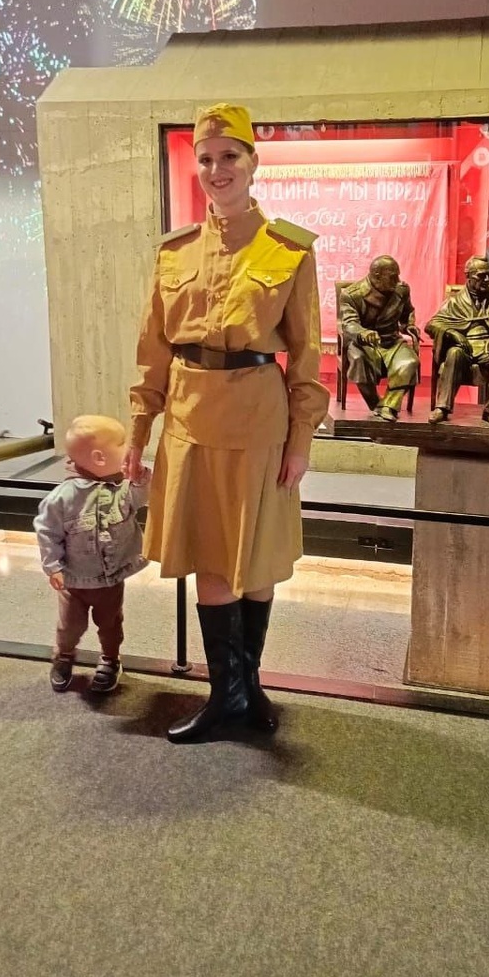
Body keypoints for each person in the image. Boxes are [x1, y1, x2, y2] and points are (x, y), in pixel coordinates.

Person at [123, 102, 329, 744]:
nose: (218, 169)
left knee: (257, 559)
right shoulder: (174, 252)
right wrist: (138, 430)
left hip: (260, 420)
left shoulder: (288, 250)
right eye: (207, 159)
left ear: (252, 162)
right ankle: (227, 695)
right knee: (211, 557)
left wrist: (302, 440)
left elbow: (308, 352)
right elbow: (153, 348)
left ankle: (248, 686)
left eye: (230, 156)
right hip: (190, 419)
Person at [34, 415, 150, 693]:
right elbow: (47, 531)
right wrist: (53, 566)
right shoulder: (62, 498)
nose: (127, 448)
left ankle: (110, 659)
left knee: (110, 624)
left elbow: (143, 495)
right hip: (73, 581)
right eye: (122, 444)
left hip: (110, 579)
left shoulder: (123, 489)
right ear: (99, 458)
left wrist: (140, 474)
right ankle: (63, 656)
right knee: (69, 626)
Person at [425, 256, 489, 427]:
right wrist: (453, 333)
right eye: (481, 276)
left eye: (488, 275)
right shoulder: (455, 302)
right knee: (453, 353)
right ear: (468, 276)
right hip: (464, 348)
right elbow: (432, 324)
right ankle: (442, 408)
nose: (487, 280)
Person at [338, 255, 420, 421]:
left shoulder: (402, 290)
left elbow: (407, 313)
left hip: (392, 342)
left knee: (410, 362)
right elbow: (349, 323)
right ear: (377, 276)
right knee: (359, 360)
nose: (397, 280)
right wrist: (362, 333)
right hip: (363, 344)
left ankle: (389, 406)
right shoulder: (351, 295)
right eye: (392, 277)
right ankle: (376, 404)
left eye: (398, 276)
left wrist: (410, 325)